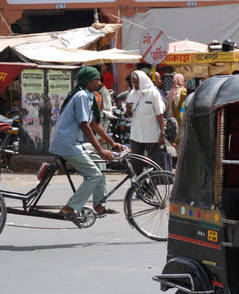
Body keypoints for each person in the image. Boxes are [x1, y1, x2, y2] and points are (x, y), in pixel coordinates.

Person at [49, 67, 122, 220]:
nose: (99, 82)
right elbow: (85, 125)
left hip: (73, 142)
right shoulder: (82, 96)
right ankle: (69, 208)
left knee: (100, 163)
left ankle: (99, 205)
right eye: (96, 79)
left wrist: (112, 143)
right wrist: (101, 150)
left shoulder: (88, 96)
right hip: (66, 144)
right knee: (93, 174)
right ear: (88, 81)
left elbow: (95, 124)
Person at [125, 70, 166, 165]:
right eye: (133, 82)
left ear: (142, 80)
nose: (135, 84)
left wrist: (162, 133)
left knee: (154, 163)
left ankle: (156, 180)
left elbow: (159, 114)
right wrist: (127, 109)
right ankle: (140, 180)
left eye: (137, 82)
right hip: (136, 135)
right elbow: (129, 115)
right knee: (135, 162)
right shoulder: (132, 94)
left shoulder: (153, 93)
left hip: (152, 135)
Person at [166, 73, 187, 143]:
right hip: (181, 122)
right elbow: (183, 107)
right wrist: (181, 117)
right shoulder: (184, 91)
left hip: (172, 123)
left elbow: (167, 108)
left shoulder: (171, 92)